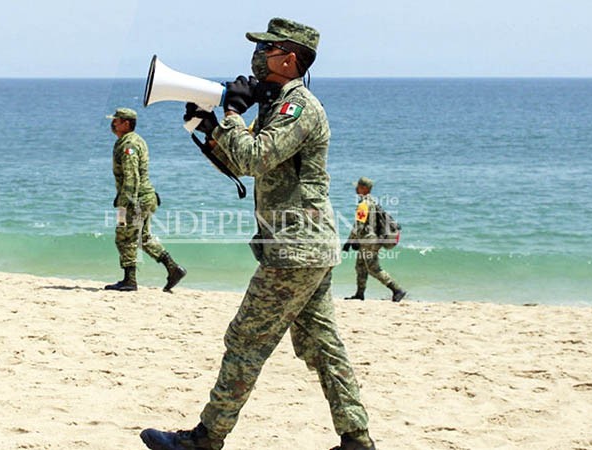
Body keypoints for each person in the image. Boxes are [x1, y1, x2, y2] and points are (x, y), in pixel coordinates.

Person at [139, 18, 376, 450]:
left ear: (289, 59)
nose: (258, 57)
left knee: (245, 340)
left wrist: (230, 113)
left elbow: (254, 157)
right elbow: (240, 166)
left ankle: (206, 439)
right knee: (321, 345)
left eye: (267, 49)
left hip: (296, 248)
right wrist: (209, 131)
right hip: (304, 246)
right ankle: (356, 438)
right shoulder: (277, 106)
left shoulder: (299, 108)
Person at [104, 107, 186, 292]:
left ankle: (129, 281)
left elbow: (132, 176)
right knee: (143, 238)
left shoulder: (129, 145)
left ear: (126, 123)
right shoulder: (134, 140)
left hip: (136, 198)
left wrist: (125, 203)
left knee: (124, 237)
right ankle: (173, 268)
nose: (113, 123)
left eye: (116, 120)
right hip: (144, 197)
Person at [343, 177, 407, 302]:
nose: (356, 188)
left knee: (373, 268)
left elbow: (359, 225)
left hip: (368, 241)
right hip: (370, 239)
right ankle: (359, 294)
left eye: (358, 186)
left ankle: (397, 290)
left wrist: (350, 241)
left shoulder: (363, 204)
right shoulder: (373, 201)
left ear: (364, 188)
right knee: (360, 266)